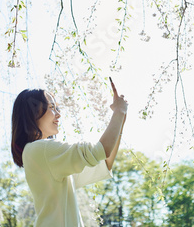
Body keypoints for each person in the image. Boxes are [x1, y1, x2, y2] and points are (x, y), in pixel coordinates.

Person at [10, 78, 128, 226]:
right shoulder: (41, 149)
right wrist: (119, 111)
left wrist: (120, 119)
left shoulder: (42, 156)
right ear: (32, 112)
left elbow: (105, 161)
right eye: (52, 107)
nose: (58, 114)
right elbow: (102, 150)